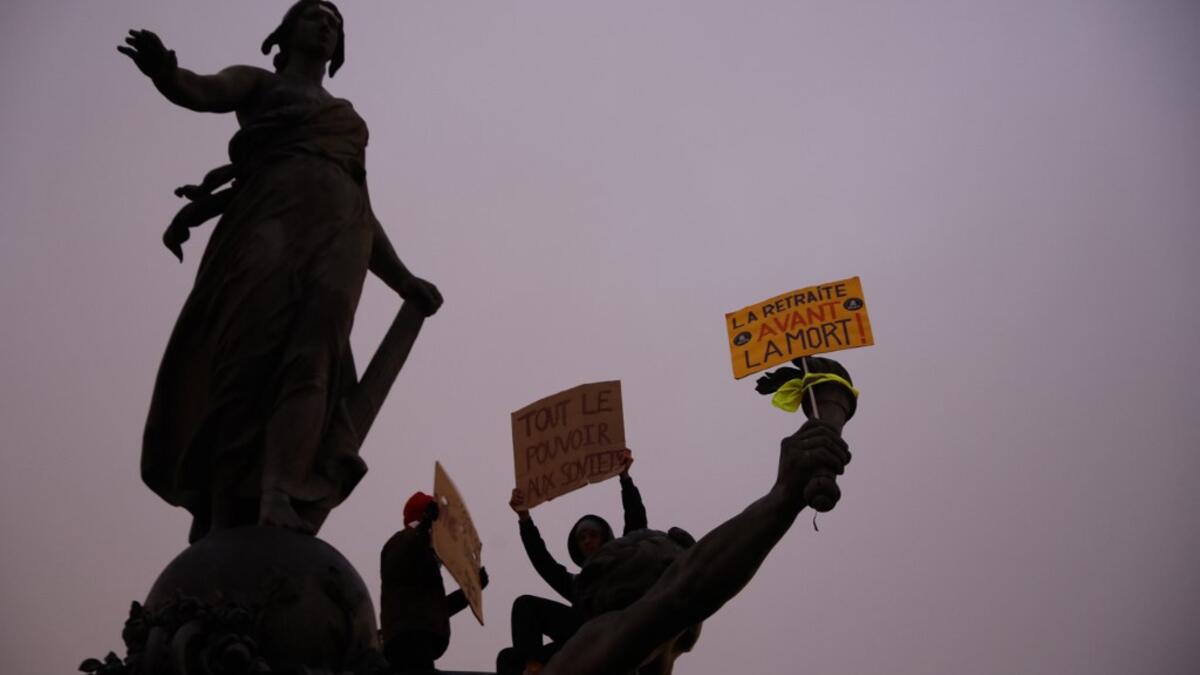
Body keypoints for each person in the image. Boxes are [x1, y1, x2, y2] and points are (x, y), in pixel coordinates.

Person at [120, 1, 443, 542]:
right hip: (264, 230)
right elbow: (203, 90)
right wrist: (166, 74)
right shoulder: (261, 85)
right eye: (315, 16)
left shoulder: (347, 121)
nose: (326, 25)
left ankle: (278, 492)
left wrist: (403, 279)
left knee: (314, 362)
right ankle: (224, 509)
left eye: (335, 23)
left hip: (339, 241)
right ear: (286, 32)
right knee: (244, 360)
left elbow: (363, 205)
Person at [498, 449, 645, 674]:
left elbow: (636, 523)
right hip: (578, 639)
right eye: (582, 538)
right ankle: (534, 669)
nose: (587, 541)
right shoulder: (579, 584)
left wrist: (624, 478)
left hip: (609, 634)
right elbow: (543, 562)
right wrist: (524, 518)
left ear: (604, 537)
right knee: (510, 654)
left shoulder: (620, 566)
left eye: (592, 535)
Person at [380, 492, 488, 674]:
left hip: (419, 641)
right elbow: (407, 548)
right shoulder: (400, 541)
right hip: (409, 640)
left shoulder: (423, 556)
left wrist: (470, 590)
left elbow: (437, 607)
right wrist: (425, 526)